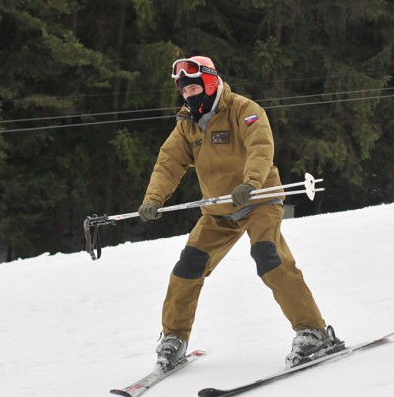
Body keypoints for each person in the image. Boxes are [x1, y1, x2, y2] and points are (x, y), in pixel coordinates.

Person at [137, 55, 340, 372]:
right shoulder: (187, 124)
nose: (189, 95)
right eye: (184, 91)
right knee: (188, 265)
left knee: (268, 256)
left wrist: (251, 182)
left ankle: (313, 330)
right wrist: (154, 198)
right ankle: (174, 337)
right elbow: (168, 164)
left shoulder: (244, 110)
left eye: (193, 88)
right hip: (218, 210)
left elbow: (260, 146)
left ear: (209, 83)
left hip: (259, 200)